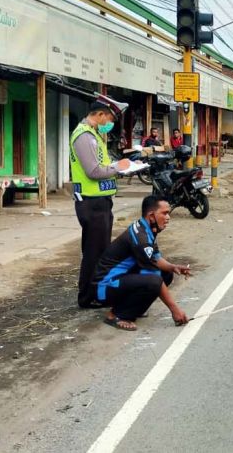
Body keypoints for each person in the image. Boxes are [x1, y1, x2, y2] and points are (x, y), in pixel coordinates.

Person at [93, 196, 191, 331]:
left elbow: (155, 259)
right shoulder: (141, 239)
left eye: (168, 213)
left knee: (166, 273)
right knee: (154, 282)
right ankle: (116, 315)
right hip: (105, 287)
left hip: (119, 279)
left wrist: (173, 267)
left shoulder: (146, 228)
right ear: (151, 216)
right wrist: (175, 310)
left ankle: (134, 308)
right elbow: (155, 278)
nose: (168, 217)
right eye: (164, 213)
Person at [71, 95, 131, 309]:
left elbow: (102, 164)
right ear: (100, 114)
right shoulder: (84, 136)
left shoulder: (94, 135)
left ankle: (97, 292)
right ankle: (87, 297)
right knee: (93, 252)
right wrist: (119, 167)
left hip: (100, 201)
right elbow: (94, 171)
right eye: (110, 119)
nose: (111, 123)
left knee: (100, 250)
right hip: (91, 202)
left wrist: (118, 167)